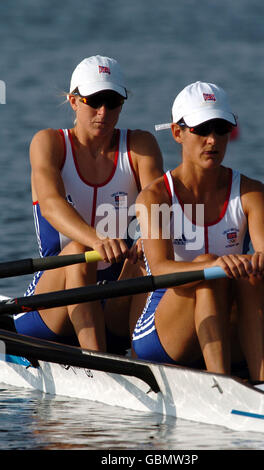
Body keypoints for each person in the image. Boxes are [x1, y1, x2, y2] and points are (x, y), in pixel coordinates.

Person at [132, 81, 264, 382]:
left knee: (251, 274)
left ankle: (262, 383)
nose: (212, 140)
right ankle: (222, 385)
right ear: (177, 133)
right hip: (162, 334)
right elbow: (161, 270)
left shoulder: (252, 192)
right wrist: (209, 265)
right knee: (209, 269)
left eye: (220, 129)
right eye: (201, 130)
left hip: (225, 327)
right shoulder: (155, 196)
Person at [12, 54, 163, 352]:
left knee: (151, 252)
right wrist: (97, 240)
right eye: (94, 101)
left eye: (113, 102)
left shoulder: (140, 145)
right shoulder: (49, 143)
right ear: (73, 101)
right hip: (50, 303)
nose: (103, 112)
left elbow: (157, 203)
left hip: (115, 296)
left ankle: (149, 355)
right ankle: (100, 364)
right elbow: (52, 206)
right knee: (80, 252)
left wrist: (150, 234)